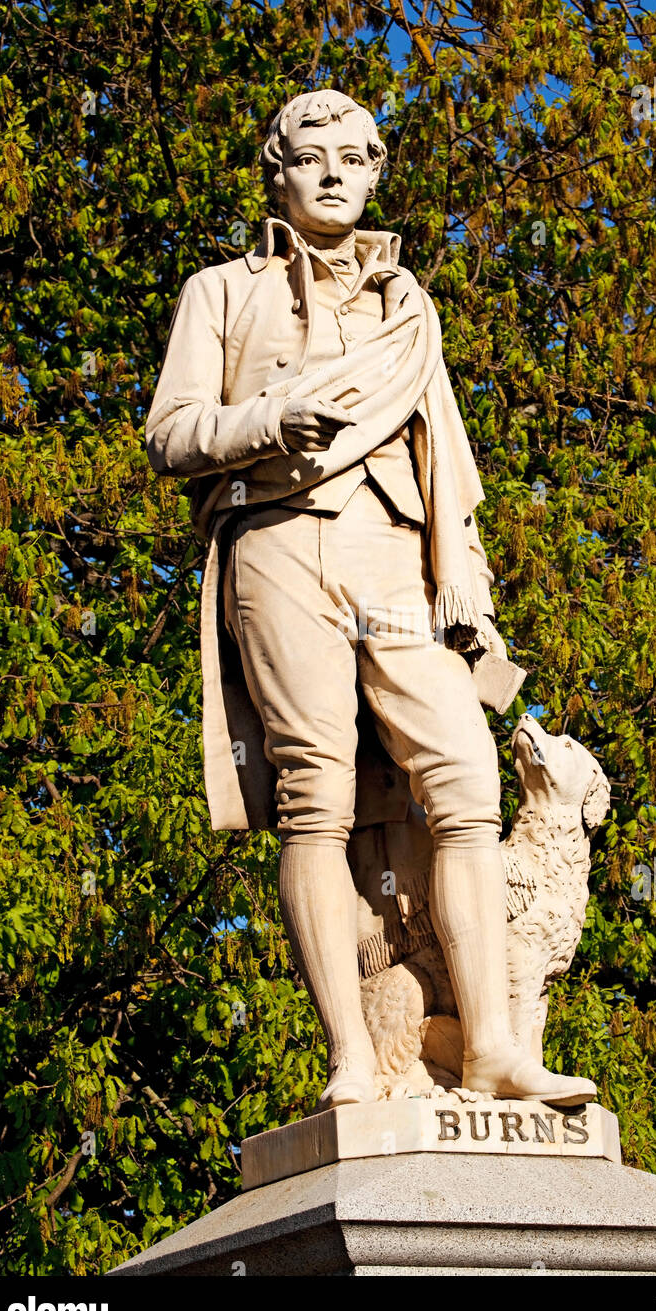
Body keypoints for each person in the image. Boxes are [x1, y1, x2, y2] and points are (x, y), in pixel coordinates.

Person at [146, 89, 596, 1111]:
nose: (334, 174)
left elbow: (452, 469)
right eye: (312, 157)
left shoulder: (408, 307)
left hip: (393, 553)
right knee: (313, 792)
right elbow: (169, 434)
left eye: (353, 157)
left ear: (376, 170)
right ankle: (352, 1053)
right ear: (277, 171)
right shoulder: (220, 292)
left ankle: (489, 1045)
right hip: (274, 542)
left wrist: (465, 587)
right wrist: (266, 418)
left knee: (465, 772)